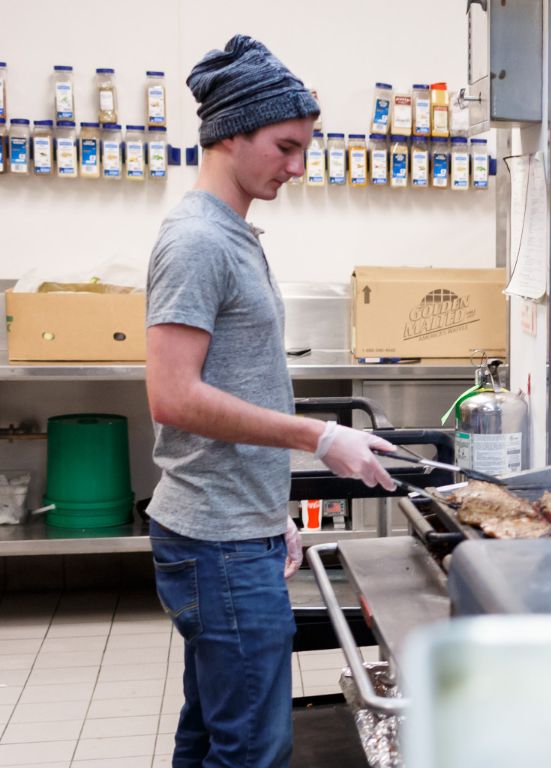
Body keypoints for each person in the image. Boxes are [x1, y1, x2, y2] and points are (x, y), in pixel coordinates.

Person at [143, 35, 396, 768]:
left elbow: (230, 384)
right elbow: (173, 395)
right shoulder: (198, 241)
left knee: (211, 737)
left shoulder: (236, 235)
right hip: (217, 544)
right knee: (253, 750)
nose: (297, 167)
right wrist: (318, 437)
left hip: (234, 526)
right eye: (285, 146)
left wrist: (268, 506)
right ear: (230, 135)